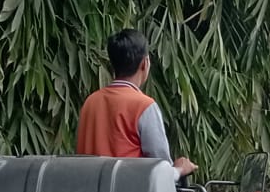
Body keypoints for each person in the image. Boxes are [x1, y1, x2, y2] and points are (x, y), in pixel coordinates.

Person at [76, 29, 197, 178]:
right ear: (145, 63)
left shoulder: (90, 102)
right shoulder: (143, 106)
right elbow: (160, 173)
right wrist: (180, 169)